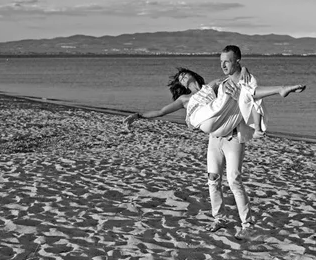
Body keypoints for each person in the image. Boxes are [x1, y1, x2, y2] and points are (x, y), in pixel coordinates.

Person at [124, 52, 305, 239]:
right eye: (181, 79)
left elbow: (236, 79)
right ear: (181, 85)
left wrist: (243, 69)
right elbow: (161, 111)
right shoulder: (184, 100)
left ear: (192, 75)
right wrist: (138, 116)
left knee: (234, 180)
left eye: (185, 75)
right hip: (214, 139)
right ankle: (219, 219)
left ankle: (247, 224)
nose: (184, 78)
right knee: (213, 179)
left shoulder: (214, 85)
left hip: (233, 137)